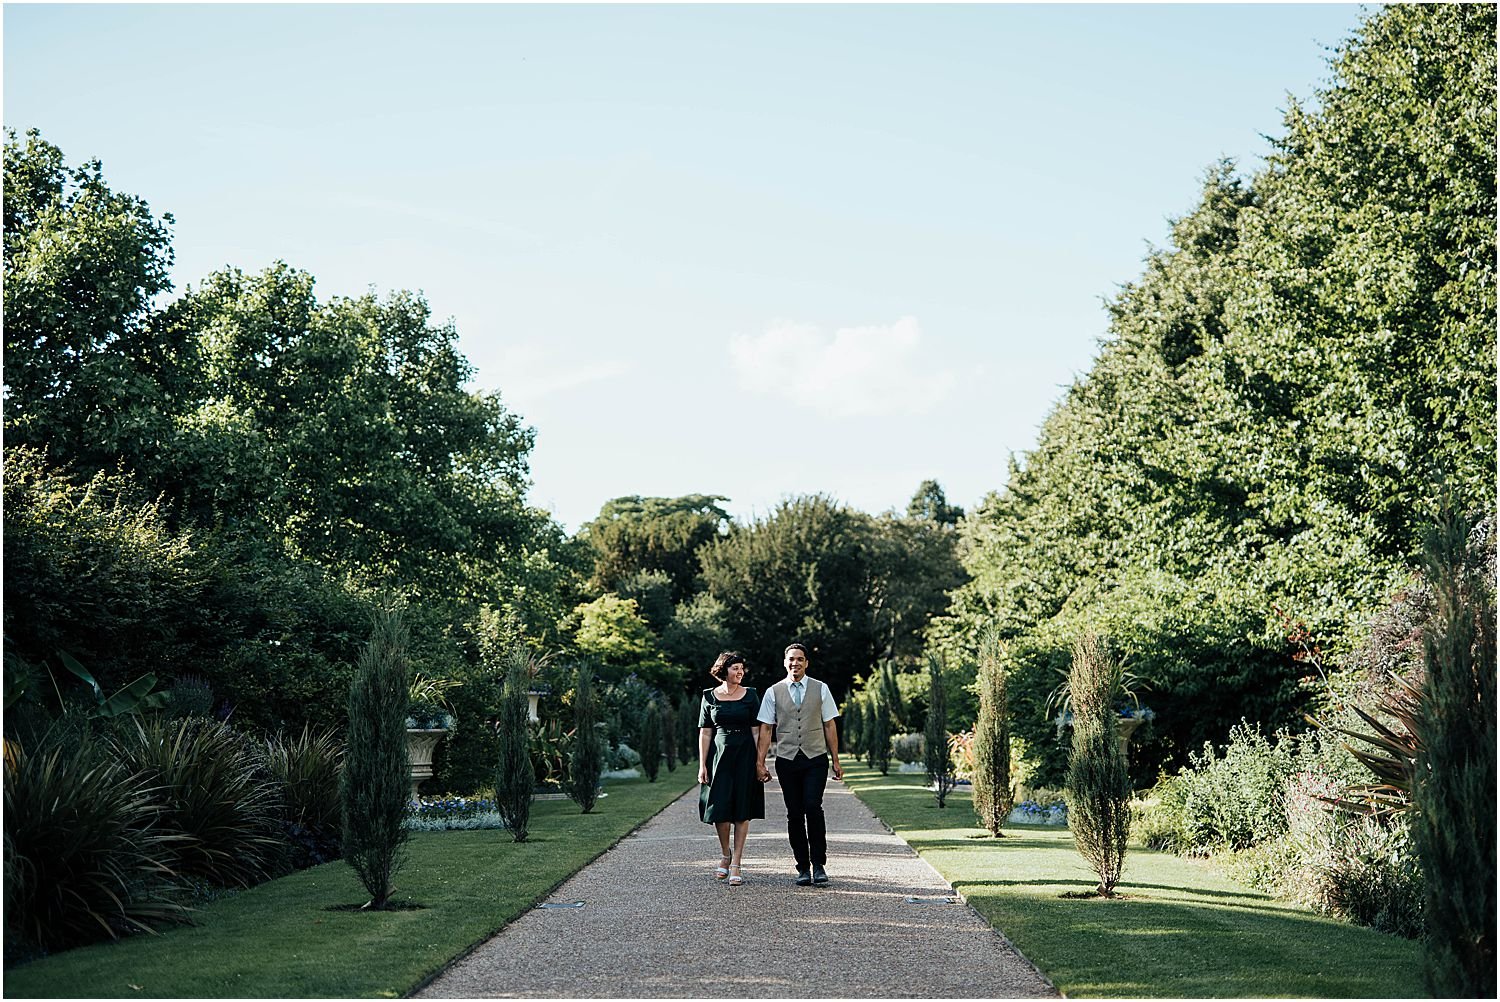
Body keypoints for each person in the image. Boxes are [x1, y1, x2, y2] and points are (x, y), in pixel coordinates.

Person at [755, 642, 842, 886]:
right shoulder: (773, 692)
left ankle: (819, 864)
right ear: (785, 662)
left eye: (800, 659)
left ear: (806, 663)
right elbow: (765, 729)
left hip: (815, 758)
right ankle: (802, 867)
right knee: (794, 813)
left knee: (813, 807)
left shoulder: (821, 689)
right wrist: (760, 762)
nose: (796, 663)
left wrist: (836, 760)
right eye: (791, 659)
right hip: (787, 760)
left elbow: (829, 725)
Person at [697, 651, 765, 886]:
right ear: (724, 670)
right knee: (720, 808)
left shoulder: (751, 696)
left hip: (745, 754)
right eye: (735, 668)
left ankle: (736, 862)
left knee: (742, 809)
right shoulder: (709, 696)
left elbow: (757, 730)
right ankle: (725, 854)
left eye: (742, 669)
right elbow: (705, 732)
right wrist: (702, 765)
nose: (740, 672)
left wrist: (760, 761)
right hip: (719, 757)